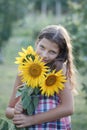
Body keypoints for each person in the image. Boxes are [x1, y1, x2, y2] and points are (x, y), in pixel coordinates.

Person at [5, 25, 77, 130]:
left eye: (52, 52)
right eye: (42, 47)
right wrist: (15, 111)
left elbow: (68, 108)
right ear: (37, 43)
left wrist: (31, 120)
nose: (44, 55)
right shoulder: (24, 71)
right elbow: (8, 111)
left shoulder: (58, 71)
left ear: (60, 54)